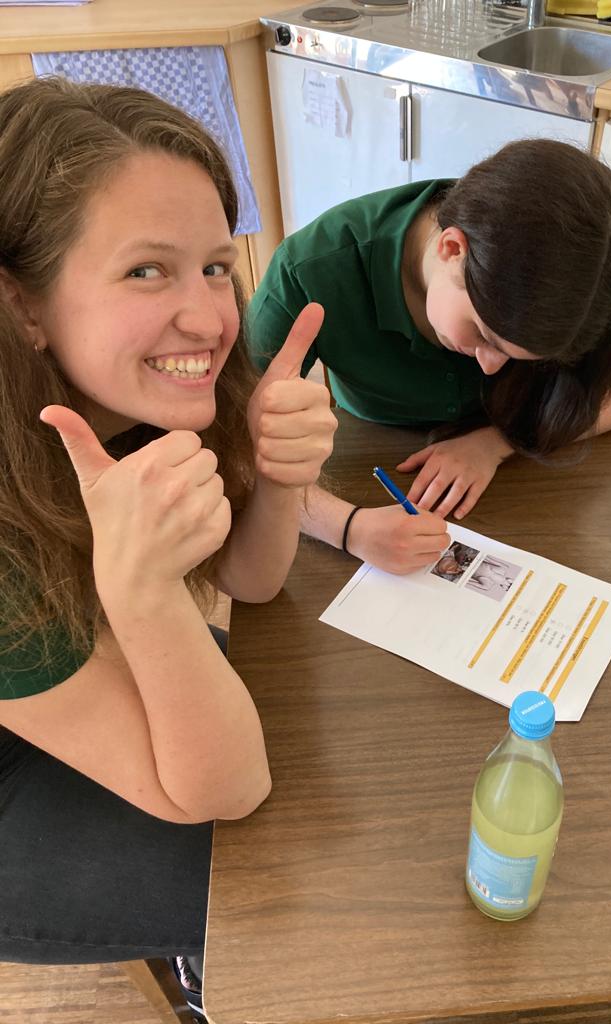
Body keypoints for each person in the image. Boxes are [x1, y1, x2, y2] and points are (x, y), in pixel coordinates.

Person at [0, 77, 336, 1019]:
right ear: (24, 306)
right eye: (148, 270)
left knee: (321, 752)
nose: (209, 319)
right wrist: (144, 595)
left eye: (216, 267)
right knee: (286, 885)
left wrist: (280, 474)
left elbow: (251, 582)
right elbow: (224, 789)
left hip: (69, 667)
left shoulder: (136, 403)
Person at [247, 139, 611, 575]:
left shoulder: (583, 274)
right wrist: (349, 528)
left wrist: (497, 443)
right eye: (484, 335)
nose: (491, 366)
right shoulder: (309, 271)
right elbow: (232, 444)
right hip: (372, 454)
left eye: (526, 357)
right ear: (452, 249)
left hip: (520, 479)